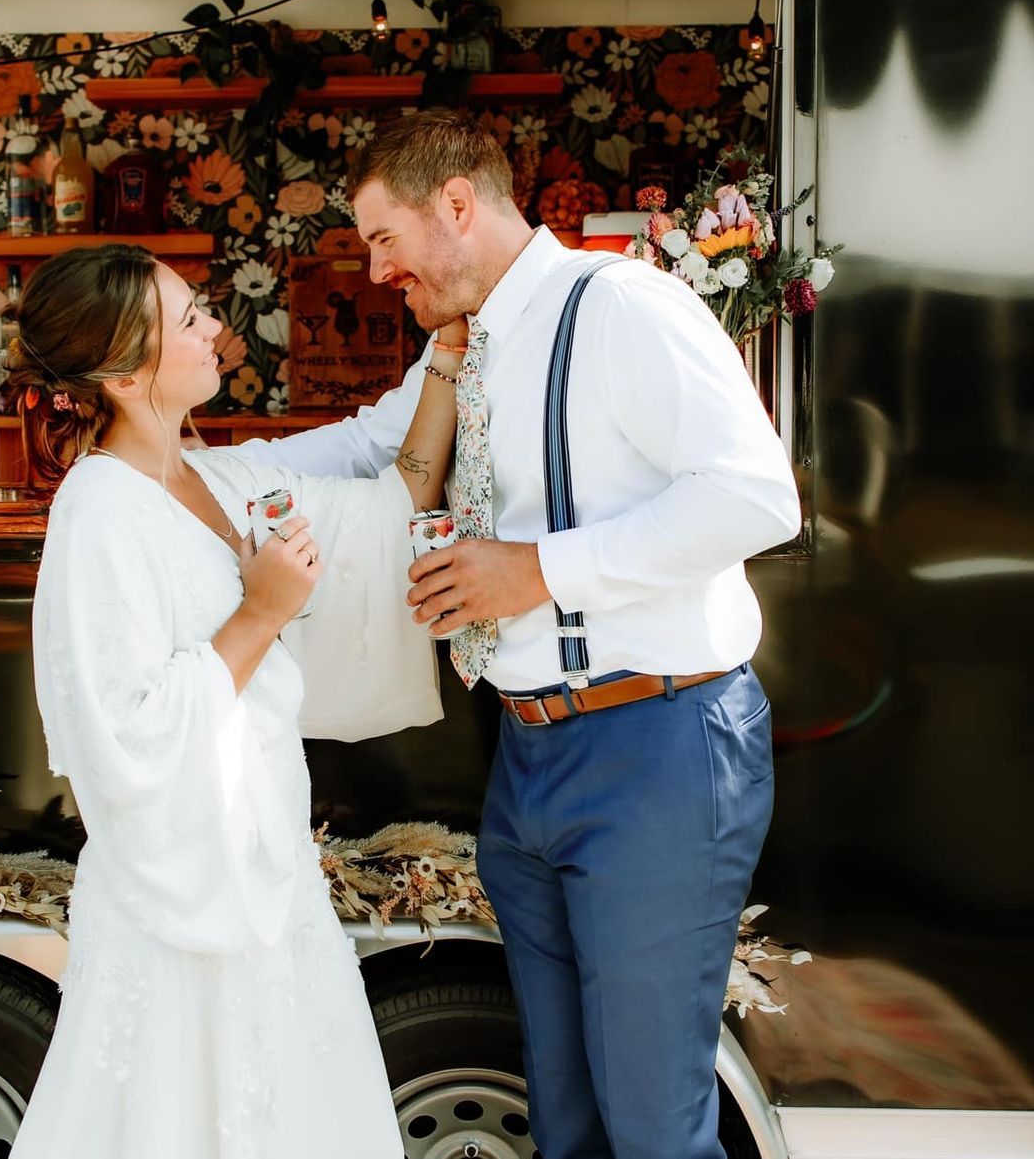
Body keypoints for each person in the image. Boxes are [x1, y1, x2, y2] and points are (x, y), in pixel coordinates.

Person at [230, 110, 802, 1159]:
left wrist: (533, 571)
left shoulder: (623, 305)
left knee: (653, 1130)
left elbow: (759, 501)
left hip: (658, 747)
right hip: (528, 756)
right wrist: (180, 476)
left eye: (383, 238)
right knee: (568, 1117)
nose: (374, 271)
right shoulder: (465, 341)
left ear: (456, 205)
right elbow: (368, 445)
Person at [7, 243, 468, 1156]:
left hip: (267, 870)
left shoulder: (214, 478)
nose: (217, 329)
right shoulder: (97, 513)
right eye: (188, 320)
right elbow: (123, 736)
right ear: (130, 375)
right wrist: (262, 611)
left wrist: (450, 357)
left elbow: (396, 490)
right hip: (179, 908)